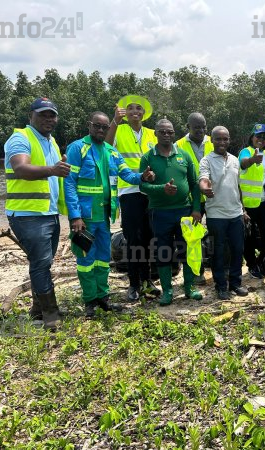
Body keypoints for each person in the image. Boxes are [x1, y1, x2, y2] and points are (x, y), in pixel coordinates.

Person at [64, 112, 154, 318]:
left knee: (103, 259)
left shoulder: (111, 151)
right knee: (86, 260)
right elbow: (69, 183)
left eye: (104, 127)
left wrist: (142, 177)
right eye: (97, 126)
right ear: (89, 125)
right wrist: (75, 216)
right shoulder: (78, 148)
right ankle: (90, 301)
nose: (101, 130)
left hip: (104, 216)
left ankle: (103, 298)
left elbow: (127, 175)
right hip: (84, 219)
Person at [4, 97, 71, 330]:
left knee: (43, 262)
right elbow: (21, 168)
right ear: (30, 116)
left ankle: (37, 309)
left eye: (52, 115)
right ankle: (50, 313)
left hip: (48, 212)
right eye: (43, 114)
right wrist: (53, 169)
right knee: (41, 263)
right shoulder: (20, 138)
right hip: (27, 214)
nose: (48, 119)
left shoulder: (52, 142)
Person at [139, 119, 203, 305]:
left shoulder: (184, 155)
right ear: (155, 134)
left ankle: (189, 287)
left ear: (174, 134)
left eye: (170, 132)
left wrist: (196, 209)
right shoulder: (148, 158)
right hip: (159, 213)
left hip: (184, 211)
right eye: (162, 132)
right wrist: (162, 189)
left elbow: (194, 184)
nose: (166, 135)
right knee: (163, 251)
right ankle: (167, 291)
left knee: (187, 249)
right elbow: (142, 186)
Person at [105, 95, 160, 302]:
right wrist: (114, 121)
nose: (135, 111)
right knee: (133, 239)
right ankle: (134, 283)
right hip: (128, 191)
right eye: (130, 108)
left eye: (138, 108)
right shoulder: (119, 129)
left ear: (144, 113)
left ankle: (148, 280)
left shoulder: (152, 133)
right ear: (124, 112)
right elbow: (107, 146)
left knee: (149, 237)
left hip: (150, 192)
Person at [199, 126, 249, 300]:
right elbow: (203, 179)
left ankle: (235, 283)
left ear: (229, 140)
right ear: (212, 140)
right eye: (218, 139)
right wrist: (204, 188)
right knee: (218, 252)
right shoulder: (206, 160)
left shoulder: (234, 160)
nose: (222, 142)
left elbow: (237, 186)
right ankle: (221, 286)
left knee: (237, 250)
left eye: (225, 139)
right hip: (216, 215)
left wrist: (243, 210)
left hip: (235, 214)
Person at [175, 112, 214, 285]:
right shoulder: (178, 145)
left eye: (203, 127)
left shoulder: (213, 141)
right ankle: (196, 273)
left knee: (215, 234)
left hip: (212, 198)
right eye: (196, 127)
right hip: (190, 200)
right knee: (191, 238)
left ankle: (216, 268)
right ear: (188, 127)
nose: (201, 130)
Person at [239, 124, 265, 279]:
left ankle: (262, 261)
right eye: (258, 136)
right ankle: (251, 264)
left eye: (264, 137)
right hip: (248, 203)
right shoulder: (245, 152)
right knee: (249, 236)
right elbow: (243, 163)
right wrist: (252, 160)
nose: (261, 139)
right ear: (252, 137)